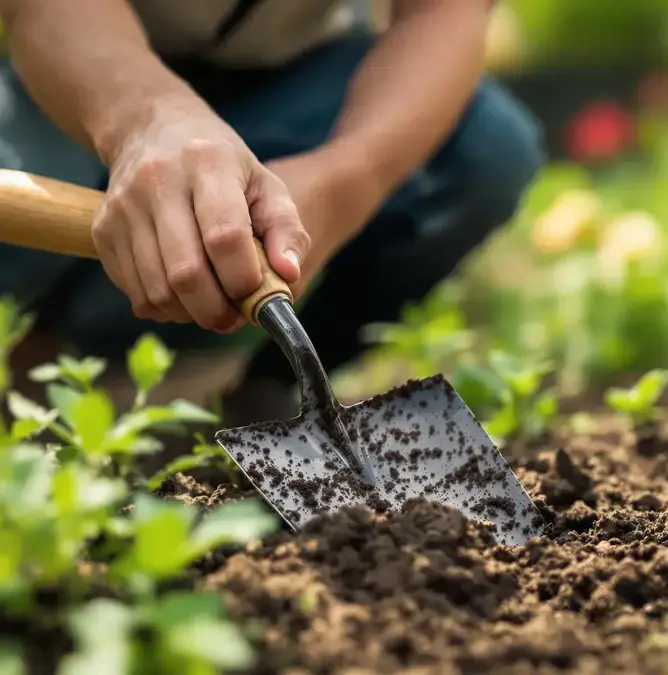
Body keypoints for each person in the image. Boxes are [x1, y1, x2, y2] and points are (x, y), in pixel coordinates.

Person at [0, 0, 544, 424]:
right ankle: (31, 343)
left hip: (287, 87)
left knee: (481, 148)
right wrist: (148, 120)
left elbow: (445, 14)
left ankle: (264, 386)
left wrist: (344, 178)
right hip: (55, 75)